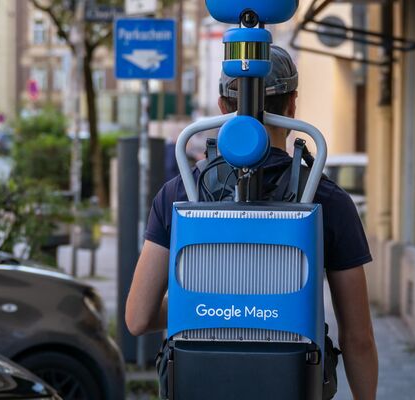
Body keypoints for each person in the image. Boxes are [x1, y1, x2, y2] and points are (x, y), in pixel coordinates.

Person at [125, 46, 378, 400]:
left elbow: (138, 317)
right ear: (292, 105)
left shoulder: (182, 191)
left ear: (222, 107)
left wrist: (214, 308)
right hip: (290, 384)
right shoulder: (327, 199)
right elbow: (358, 338)